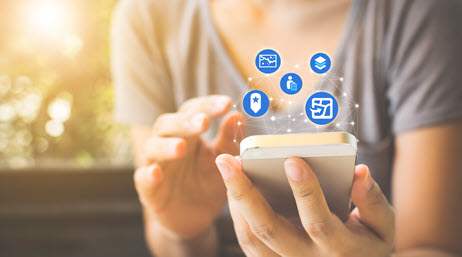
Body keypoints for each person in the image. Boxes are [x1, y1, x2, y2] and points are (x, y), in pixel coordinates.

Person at [110, 0, 462, 256]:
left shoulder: (420, 11)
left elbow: (431, 245)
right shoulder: (148, 16)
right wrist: (183, 232)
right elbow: (166, 239)